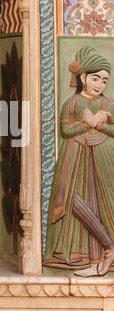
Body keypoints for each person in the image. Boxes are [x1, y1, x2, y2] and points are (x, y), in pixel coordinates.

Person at [45, 45, 114, 277]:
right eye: (95, 78)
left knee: (104, 203)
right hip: (75, 158)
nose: (100, 85)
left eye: (104, 80)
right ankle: (108, 247)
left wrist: (98, 124)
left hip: (104, 158)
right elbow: (65, 130)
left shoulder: (108, 104)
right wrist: (87, 123)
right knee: (71, 199)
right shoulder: (72, 103)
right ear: (83, 77)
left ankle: (107, 250)